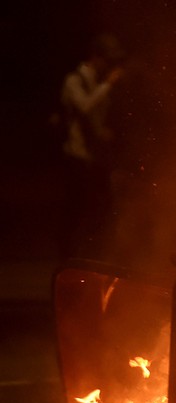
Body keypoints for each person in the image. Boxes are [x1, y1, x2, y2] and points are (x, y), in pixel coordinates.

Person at [59, 33, 125, 259]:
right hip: (76, 159)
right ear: (95, 57)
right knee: (75, 215)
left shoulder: (95, 82)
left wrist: (102, 133)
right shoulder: (73, 81)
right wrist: (107, 85)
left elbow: (94, 119)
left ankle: (88, 259)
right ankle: (68, 261)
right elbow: (85, 108)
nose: (109, 65)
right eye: (107, 60)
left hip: (93, 158)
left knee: (99, 213)